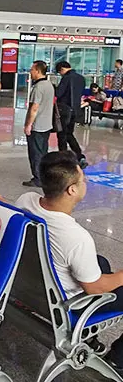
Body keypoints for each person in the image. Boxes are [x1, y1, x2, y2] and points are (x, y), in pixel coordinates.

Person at [15, 150, 123, 368]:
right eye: (83, 179)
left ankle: (89, 338)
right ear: (72, 189)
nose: (86, 182)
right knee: (104, 275)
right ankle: (118, 360)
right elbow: (96, 288)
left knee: (99, 261)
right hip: (65, 305)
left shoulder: (25, 200)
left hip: (32, 290)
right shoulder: (75, 237)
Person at [23, 60, 55, 188]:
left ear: (37, 71)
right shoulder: (49, 85)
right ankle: (44, 176)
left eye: (32, 69)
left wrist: (28, 125)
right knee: (43, 152)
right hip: (47, 124)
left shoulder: (38, 87)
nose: (30, 72)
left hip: (37, 125)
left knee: (35, 153)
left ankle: (38, 179)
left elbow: (34, 108)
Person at [55, 61, 88, 169]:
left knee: (62, 135)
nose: (61, 74)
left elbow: (59, 93)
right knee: (69, 134)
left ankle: (63, 160)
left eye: (60, 72)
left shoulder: (66, 78)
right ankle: (80, 156)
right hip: (75, 110)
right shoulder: (81, 78)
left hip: (65, 110)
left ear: (62, 69)